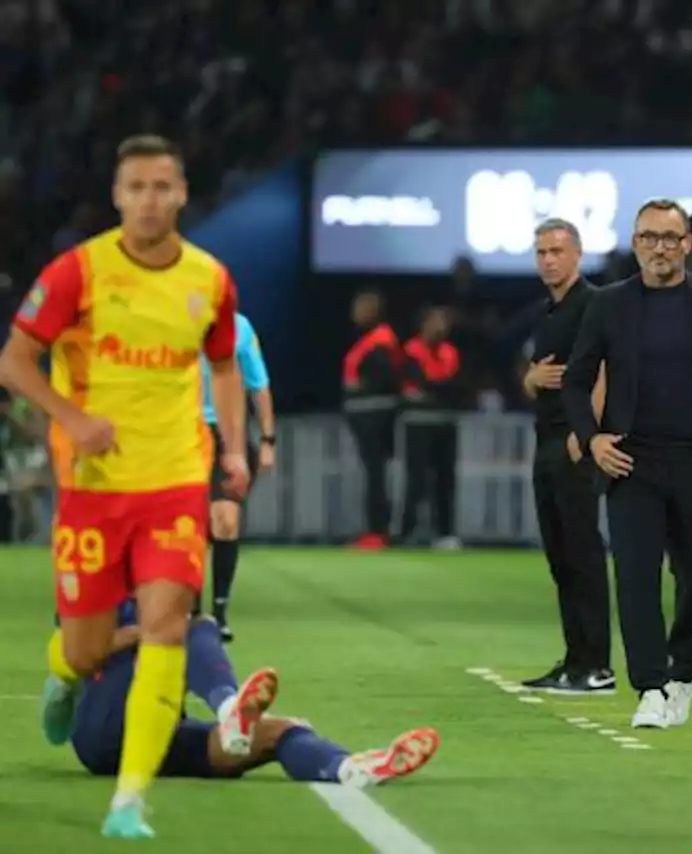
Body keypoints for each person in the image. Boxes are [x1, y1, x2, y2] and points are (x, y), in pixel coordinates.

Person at [0, 133, 250, 838]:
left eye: (161, 187)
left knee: (168, 625)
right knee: (88, 647)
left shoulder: (210, 279)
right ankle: (62, 671)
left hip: (173, 481)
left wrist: (233, 450)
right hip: (94, 487)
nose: (149, 200)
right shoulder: (79, 272)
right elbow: (15, 362)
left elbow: (225, 367)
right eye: (135, 187)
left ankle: (130, 799)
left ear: (182, 194)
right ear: (118, 196)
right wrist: (72, 419)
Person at [563, 199, 692, 729]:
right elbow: (575, 379)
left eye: (670, 238)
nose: (660, 247)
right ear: (635, 244)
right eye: (650, 237)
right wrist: (592, 440)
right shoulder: (609, 304)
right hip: (631, 462)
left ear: (688, 244)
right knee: (634, 578)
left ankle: (684, 672)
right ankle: (651, 688)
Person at [71, 603, 439, 797]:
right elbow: (75, 650)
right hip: (103, 729)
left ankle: (348, 768)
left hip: (157, 734)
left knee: (279, 731)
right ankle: (230, 707)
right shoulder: (102, 565)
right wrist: (147, 633)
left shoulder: (170, 569)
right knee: (196, 626)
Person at [520, 218, 613, 694]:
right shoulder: (548, 313)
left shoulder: (594, 305)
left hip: (574, 442)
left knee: (583, 551)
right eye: (541, 252)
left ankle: (597, 663)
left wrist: (587, 432)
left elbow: (607, 369)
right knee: (560, 555)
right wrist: (531, 381)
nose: (549, 259)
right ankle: (576, 658)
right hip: (546, 440)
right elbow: (534, 377)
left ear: (577, 253)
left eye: (557, 250)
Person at [199, 311, 275, 641]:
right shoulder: (170, 319)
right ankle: (187, 610)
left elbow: (259, 384)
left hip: (225, 434)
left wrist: (267, 439)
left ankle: (218, 610)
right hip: (179, 431)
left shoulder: (240, 327)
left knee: (226, 519)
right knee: (188, 527)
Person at [343, 291, 402, 551]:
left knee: (376, 474)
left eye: (360, 308)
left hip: (375, 417)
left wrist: (359, 388)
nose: (355, 313)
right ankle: (375, 529)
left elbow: (387, 379)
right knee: (373, 474)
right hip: (366, 415)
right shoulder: (371, 341)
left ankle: (379, 530)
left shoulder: (381, 342)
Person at [400, 305, 463, 548]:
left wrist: (433, 391)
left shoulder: (451, 352)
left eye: (444, 322)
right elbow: (417, 382)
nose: (441, 327)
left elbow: (457, 386)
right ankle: (408, 531)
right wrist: (438, 390)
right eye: (436, 321)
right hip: (418, 422)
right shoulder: (411, 351)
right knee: (416, 479)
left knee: (445, 479)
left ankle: (445, 533)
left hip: (445, 421)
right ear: (423, 324)